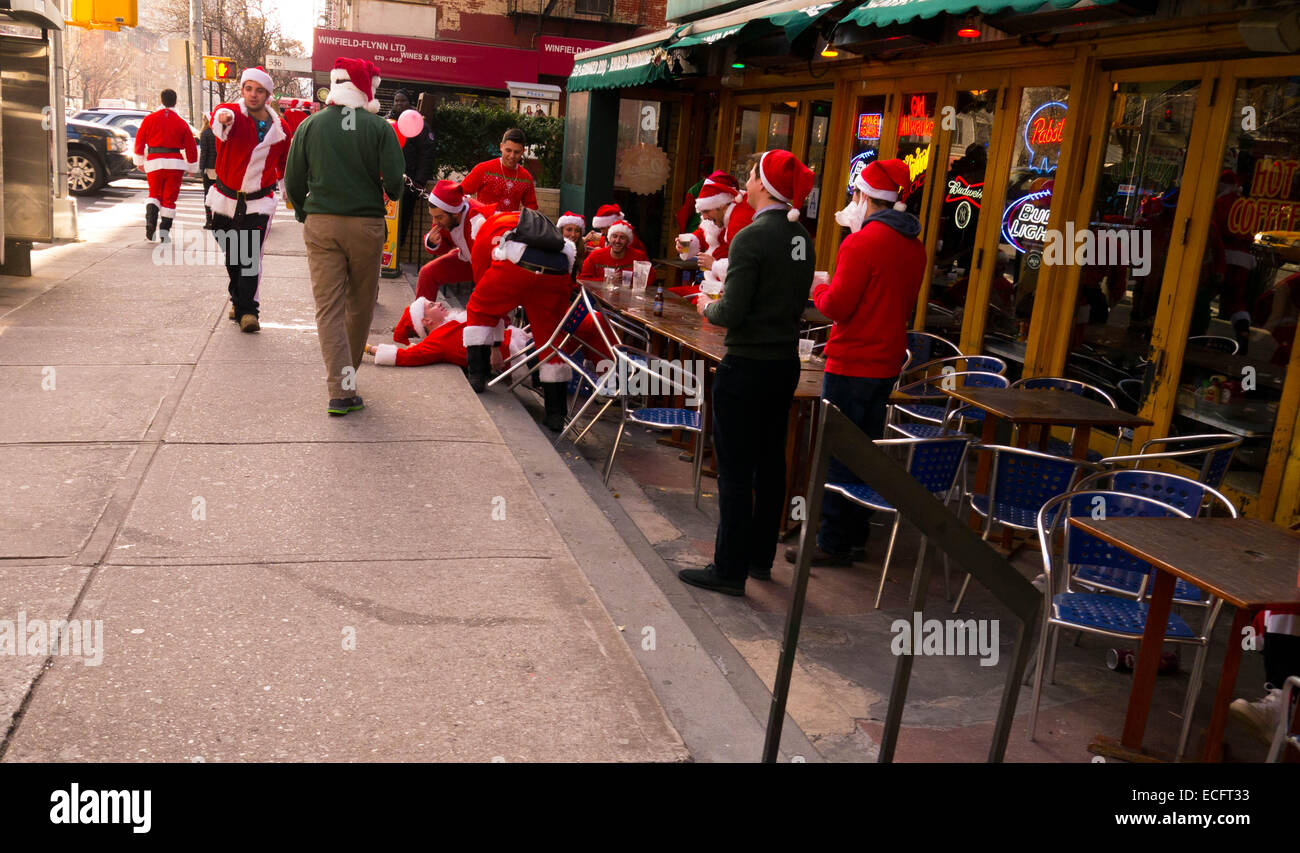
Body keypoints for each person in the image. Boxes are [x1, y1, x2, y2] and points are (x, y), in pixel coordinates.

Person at [678, 149, 815, 596]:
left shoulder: (752, 237)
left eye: (752, 175)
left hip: (749, 363)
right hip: (783, 363)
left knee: (735, 469)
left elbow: (732, 310)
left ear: (764, 186)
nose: (747, 182)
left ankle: (728, 568)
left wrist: (706, 305)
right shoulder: (801, 236)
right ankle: (759, 559)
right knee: (770, 462)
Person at [783, 158, 926, 567]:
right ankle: (856, 534)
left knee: (834, 451)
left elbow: (838, 307)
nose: (851, 200)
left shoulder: (860, 243)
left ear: (865, 197)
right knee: (865, 450)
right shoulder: (913, 246)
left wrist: (821, 287)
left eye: (854, 194)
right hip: (885, 362)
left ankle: (831, 541)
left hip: (852, 361)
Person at [284, 57, 405, 416]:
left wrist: (304, 211)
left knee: (328, 309)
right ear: (368, 89)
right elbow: (396, 182)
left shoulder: (310, 125)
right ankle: (347, 380)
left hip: (321, 223)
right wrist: (389, 191)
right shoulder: (379, 127)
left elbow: (293, 179)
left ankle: (340, 388)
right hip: (366, 226)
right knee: (361, 305)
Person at [461, 209, 576, 431]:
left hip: (516, 266)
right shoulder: (534, 222)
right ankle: (555, 413)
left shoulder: (485, 230)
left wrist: (495, 344)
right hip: (556, 274)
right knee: (550, 337)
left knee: (478, 308)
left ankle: (477, 374)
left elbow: (481, 283)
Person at [208, 67, 292, 333]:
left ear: (267, 95)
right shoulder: (231, 113)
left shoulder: (281, 129)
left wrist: (290, 194)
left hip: (258, 203)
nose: (253, 95)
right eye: (248, 88)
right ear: (242, 90)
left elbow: (284, 164)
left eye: (259, 90)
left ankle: (248, 312)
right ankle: (238, 297)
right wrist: (222, 117)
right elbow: (222, 119)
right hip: (224, 200)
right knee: (233, 256)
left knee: (248, 257)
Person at [365, 297, 530, 370]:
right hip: (516, 355)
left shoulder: (451, 322)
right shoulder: (437, 340)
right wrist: (367, 348)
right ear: (426, 321)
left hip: (518, 343)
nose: (439, 303)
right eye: (432, 306)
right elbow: (404, 357)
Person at [133, 88, 198, 242]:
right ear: (175, 101)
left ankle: (150, 221)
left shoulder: (149, 119)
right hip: (174, 164)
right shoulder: (181, 123)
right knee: (169, 198)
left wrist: (140, 160)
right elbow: (191, 146)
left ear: (161, 100)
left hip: (154, 162)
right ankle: (164, 232)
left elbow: (140, 140)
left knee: (154, 193)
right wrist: (191, 166)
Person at [414, 180, 493, 302]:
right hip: (469, 259)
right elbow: (444, 244)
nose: (434, 222)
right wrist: (432, 242)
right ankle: (424, 317)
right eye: (433, 216)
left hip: (491, 267)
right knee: (427, 274)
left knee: (482, 303)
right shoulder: (448, 215)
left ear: (455, 214)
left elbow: (488, 262)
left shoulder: (478, 219)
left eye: (439, 217)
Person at [388, 89, 436, 247]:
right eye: (396, 100)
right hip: (386, 182)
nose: (399, 103)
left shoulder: (420, 125)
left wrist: (419, 182)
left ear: (410, 103)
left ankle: (395, 258)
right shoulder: (386, 123)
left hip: (408, 185)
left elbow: (426, 155)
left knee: (402, 222)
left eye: (403, 100)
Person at [459, 128, 537, 213]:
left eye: (517, 152)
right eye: (508, 150)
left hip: (510, 224)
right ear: (501, 147)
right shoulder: (483, 169)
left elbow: (531, 207)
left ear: (523, 151)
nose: (512, 156)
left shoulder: (526, 177)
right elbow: (460, 192)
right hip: (484, 222)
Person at [579, 220, 647, 279]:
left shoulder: (639, 257)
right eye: (614, 236)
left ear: (628, 241)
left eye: (622, 237)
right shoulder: (595, 256)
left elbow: (649, 279)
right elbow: (583, 279)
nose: (617, 241)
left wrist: (630, 279)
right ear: (609, 238)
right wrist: (607, 280)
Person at [197, 114, 217, 228]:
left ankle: (209, 221)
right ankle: (219, 220)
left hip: (209, 168)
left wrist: (201, 168)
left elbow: (204, 153)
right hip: (220, 168)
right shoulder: (220, 132)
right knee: (220, 195)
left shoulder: (205, 133)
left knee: (208, 195)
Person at [557, 210, 588, 278]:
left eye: (577, 231)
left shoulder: (583, 253)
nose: (573, 234)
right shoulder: (554, 251)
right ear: (561, 231)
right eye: (569, 230)